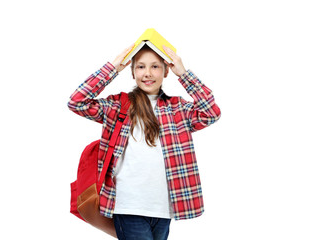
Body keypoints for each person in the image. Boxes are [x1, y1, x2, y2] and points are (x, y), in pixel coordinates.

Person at [68, 43, 221, 240]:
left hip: (163, 208)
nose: (147, 73)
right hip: (128, 206)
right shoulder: (117, 106)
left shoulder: (178, 110)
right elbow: (76, 102)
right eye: (140, 66)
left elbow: (211, 113)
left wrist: (184, 74)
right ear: (132, 72)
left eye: (155, 66)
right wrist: (112, 68)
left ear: (166, 71)